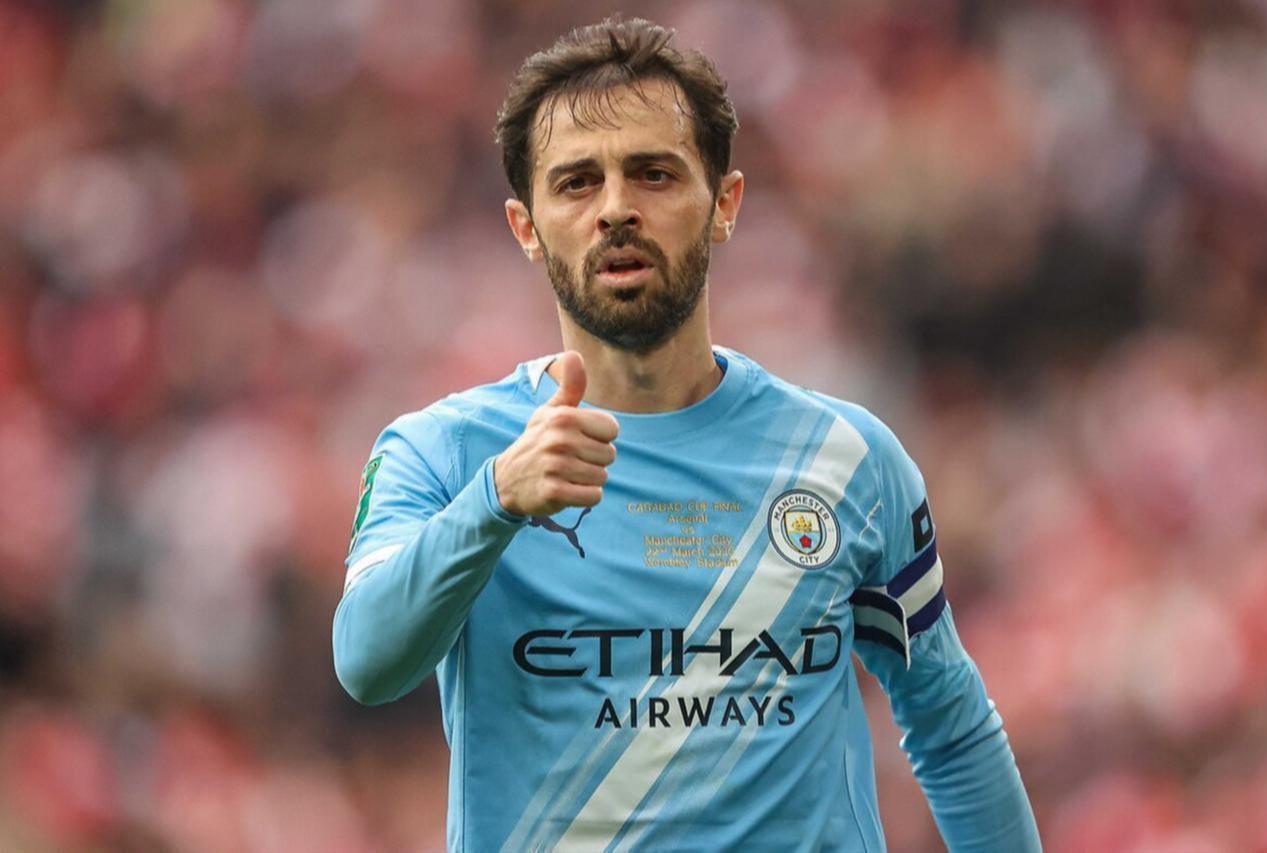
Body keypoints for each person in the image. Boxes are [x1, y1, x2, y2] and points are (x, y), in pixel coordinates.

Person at [333, 17, 1041, 852]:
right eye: (576, 184)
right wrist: (495, 501)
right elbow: (367, 663)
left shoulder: (846, 460)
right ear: (526, 227)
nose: (616, 210)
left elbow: (951, 729)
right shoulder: (445, 452)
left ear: (724, 206)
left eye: (654, 173)